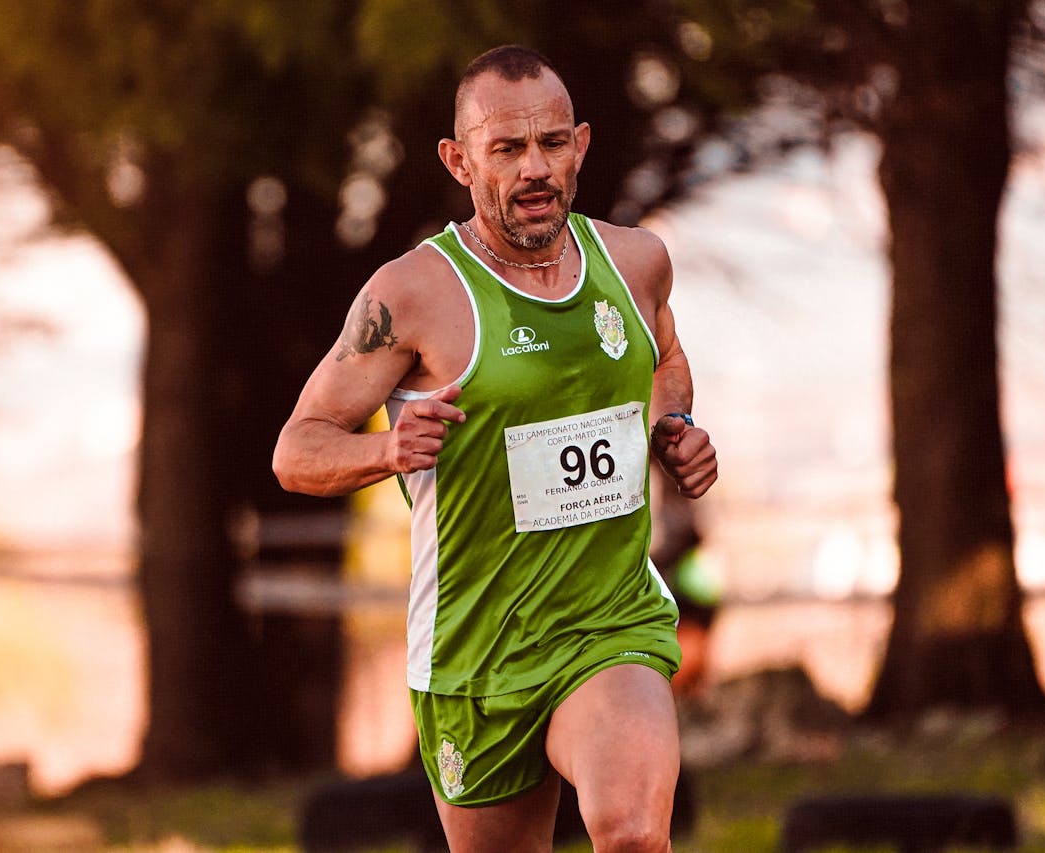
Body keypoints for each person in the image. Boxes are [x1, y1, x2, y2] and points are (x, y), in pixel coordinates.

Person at [273, 44, 718, 853]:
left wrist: (672, 427)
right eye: (507, 149)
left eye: (551, 143)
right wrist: (387, 451)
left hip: (606, 621)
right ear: (458, 159)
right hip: (475, 651)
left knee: (629, 832)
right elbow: (297, 450)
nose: (535, 168)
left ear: (580, 143)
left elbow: (665, 357)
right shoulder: (409, 294)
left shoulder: (636, 262)